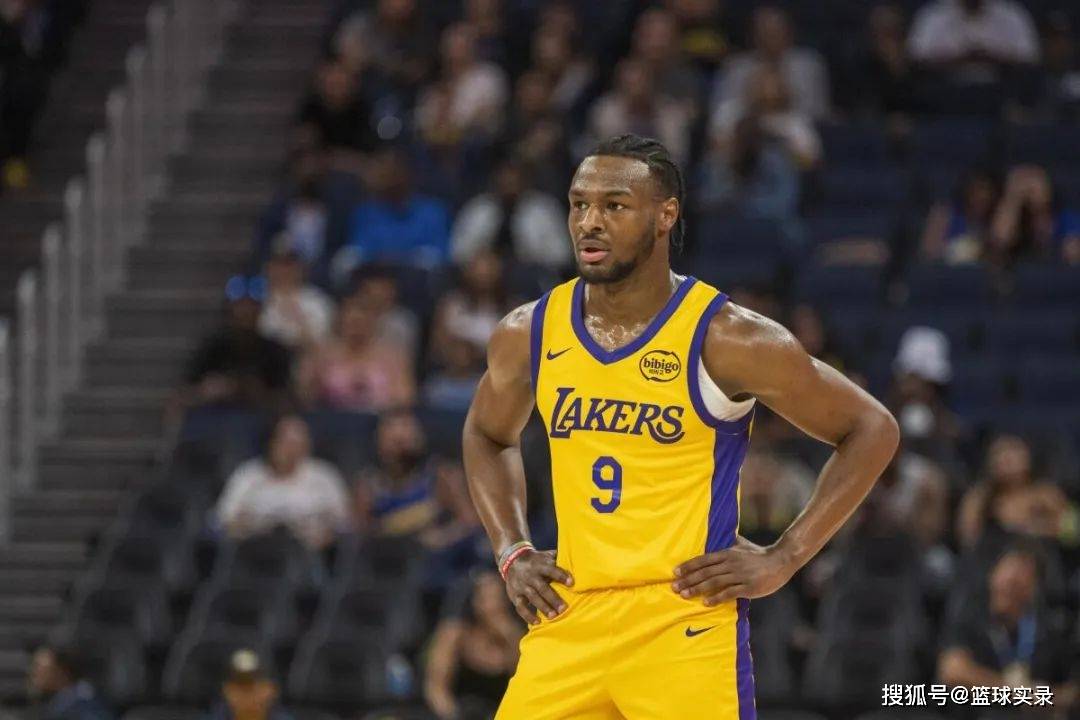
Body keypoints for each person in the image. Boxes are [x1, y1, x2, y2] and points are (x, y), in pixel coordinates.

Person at [462, 134, 899, 717]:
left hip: (683, 620)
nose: (590, 222)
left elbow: (872, 428)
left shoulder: (729, 337)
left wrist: (786, 556)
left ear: (665, 215)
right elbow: (486, 435)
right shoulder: (529, 332)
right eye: (578, 204)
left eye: (614, 205)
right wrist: (511, 550)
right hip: (571, 615)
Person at [938, 544, 1078, 714]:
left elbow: (1070, 692)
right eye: (1004, 582)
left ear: (1033, 590)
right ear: (992, 577)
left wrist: (1049, 698)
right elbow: (953, 672)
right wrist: (1019, 694)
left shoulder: (1048, 632)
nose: (1007, 590)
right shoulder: (970, 617)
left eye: (1015, 586)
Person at [214, 414, 352, 551]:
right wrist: (244, 528)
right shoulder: (248, 475)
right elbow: (222, 519)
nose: (292, 450)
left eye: (299, 443)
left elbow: (345, 523)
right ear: (271, 443)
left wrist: (326, 533)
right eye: (287, 443)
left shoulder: (324, 476)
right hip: (255, 553)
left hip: (311, 555)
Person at [424, 571, 524, 720]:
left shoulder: (514, 636)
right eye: (487, 599)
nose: (495, 605)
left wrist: (508, 633)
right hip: (457, 713)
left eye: (499, 598)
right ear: (475, 602)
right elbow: (436, 688)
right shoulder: (455, 635)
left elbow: (522, 678)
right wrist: (454, 715)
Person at [712, 6, 830, 122]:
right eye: (765, 33)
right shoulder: (736, 66)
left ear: (789, 33)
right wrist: (753, 100)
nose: (769, 39)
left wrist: (784, 99)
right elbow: (722, 111)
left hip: (795, 125)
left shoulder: (809, 64)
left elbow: (817, 111)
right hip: (748, 127)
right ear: (754, 36)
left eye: (776, 32)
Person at [450, 156, 571, 270]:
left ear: (525, 181)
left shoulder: (544, 209)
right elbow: (457, 252)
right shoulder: (479, 209)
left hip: (532, 272)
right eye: (505, 182)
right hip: (485, 273)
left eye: (513, 181)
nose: (509, 186)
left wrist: (530, 253)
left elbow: (562, 255)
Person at [297, 297, 416, 412]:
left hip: (380, 418)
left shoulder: (393, 355)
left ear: (373, 323)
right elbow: (304, 396)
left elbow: (405, 398)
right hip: (331, 418)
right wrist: (315, 378)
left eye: (361, 322)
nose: (357, 328)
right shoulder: (322, 353)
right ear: (341, 323)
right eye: (352, 323)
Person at [258, 248, 335, 351]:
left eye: (289, 265)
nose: (284, 271)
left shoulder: (317, 300)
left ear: (300, 269)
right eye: (279, 265)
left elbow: (321, 340)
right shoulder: (258, 300)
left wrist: (294, 313)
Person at [26, 643, 115, 720]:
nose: (35, 673)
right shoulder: (60, 702)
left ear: (61, 671)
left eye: (41, 668)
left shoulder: (83, 701)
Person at [202, 649, 294, 720]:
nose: (246, 675)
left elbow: (277, 713)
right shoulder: (228, 690)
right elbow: (219, 714)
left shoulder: (267, 690)